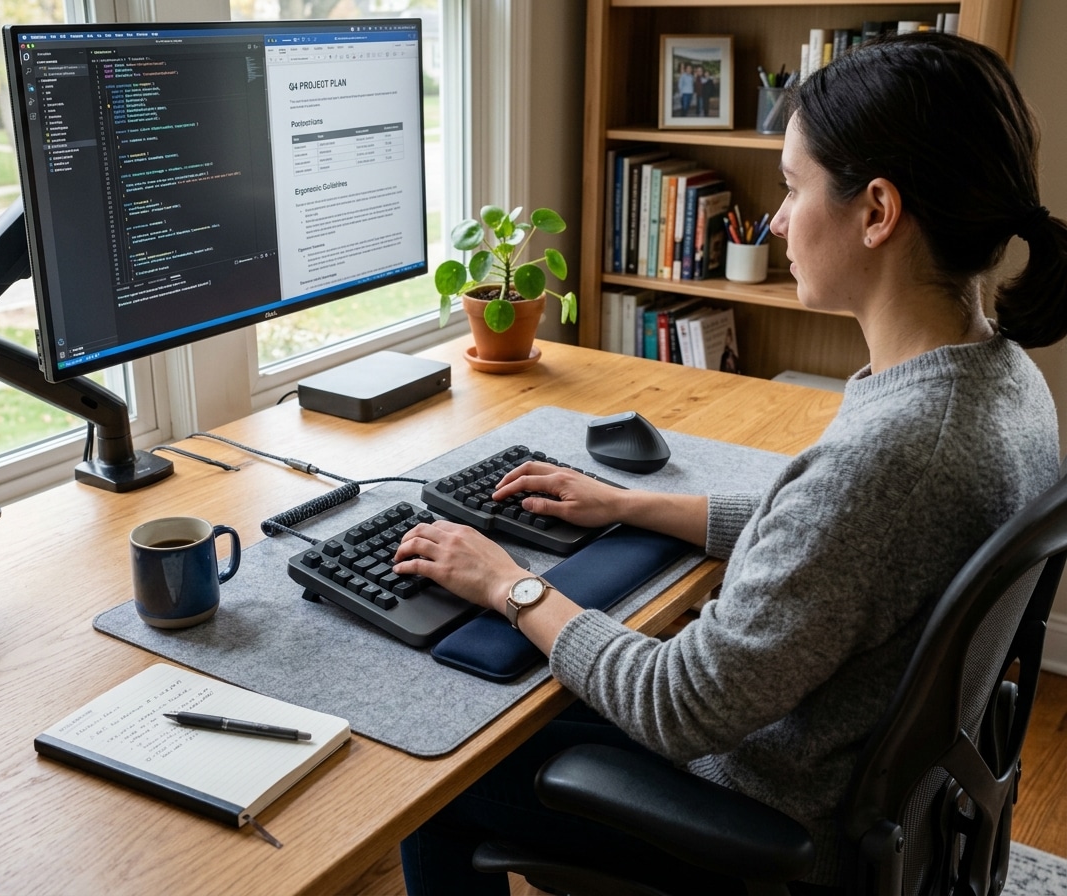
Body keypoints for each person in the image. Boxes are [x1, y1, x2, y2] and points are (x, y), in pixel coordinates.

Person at [394, 31, 1067, 894]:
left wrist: (508, 585)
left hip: (770, 821)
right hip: (879, 802)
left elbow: (681, 705)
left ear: (877, 212)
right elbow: (853, 547)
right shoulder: (1000, 375)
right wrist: (632, 505)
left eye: (791, 189)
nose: (778, 221)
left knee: (446, 770)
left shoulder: (897, 456)